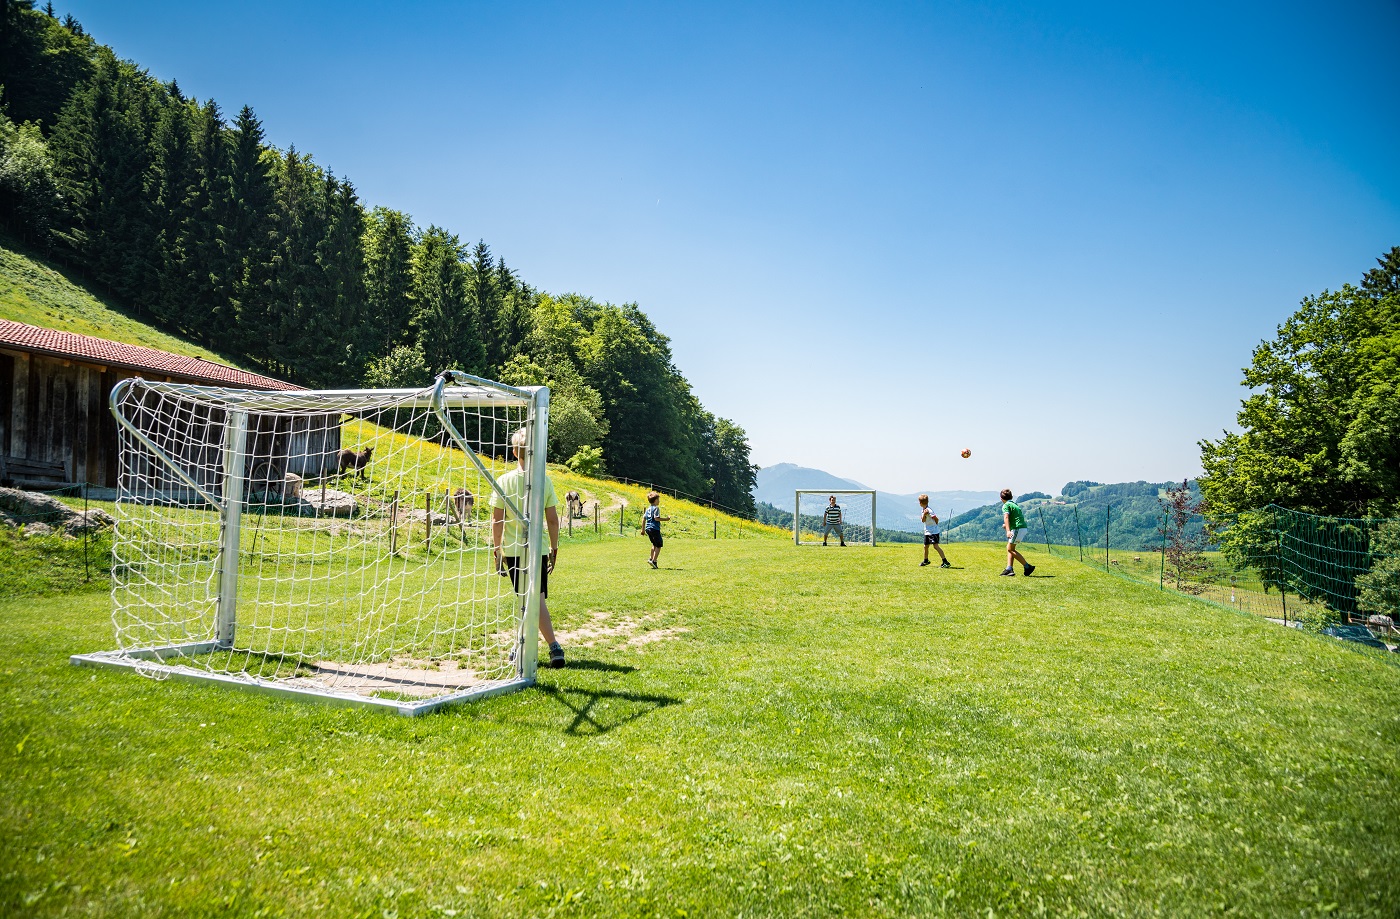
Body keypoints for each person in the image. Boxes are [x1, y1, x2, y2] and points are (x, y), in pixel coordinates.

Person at [490, 428, 565, 668]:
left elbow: (497, 520)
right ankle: (552, 647)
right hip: (537, 550)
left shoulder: (503, 481)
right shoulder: (544, 480)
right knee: (534, 598)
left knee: (530, 599)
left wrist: (497, 548)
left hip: (512, 550)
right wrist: (554, 548)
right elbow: (552, 520)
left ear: (514, 452)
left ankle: (523, 646)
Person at [999, 488, 1034, 577]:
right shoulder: (1014, 504)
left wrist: (1007, 531)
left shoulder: (1006, 505)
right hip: (1021, 528)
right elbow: (1014, 518)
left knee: (1010, 549)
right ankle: (1009, 569)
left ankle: (1027, 566)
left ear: (1001, 498)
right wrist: (1007, 526)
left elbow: (1006, 517)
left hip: (1017, 528)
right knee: (1010, 547)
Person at [918, 494, 950, 568]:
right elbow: (923, 520)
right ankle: (926, 560)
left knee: (935, 546)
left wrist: (934, 526)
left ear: (921, 503)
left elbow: (936, 519)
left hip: (933, 531)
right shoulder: (923, 510)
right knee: (925, 546)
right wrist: (924, 515)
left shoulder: (929, 510)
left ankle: (945, 562)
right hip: (927, 531)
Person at [643, 491, 670, 569]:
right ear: (655, 500)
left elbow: (644, 519)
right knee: (659, 545)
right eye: (658, 500)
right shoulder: (656, 508)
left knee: (654, 544)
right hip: (654, 528)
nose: (659, 501)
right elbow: (656, 518)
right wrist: (666, 519)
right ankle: (654, 561)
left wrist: (643, 530)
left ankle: (651, 558)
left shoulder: (648, 509)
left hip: (648, 528)